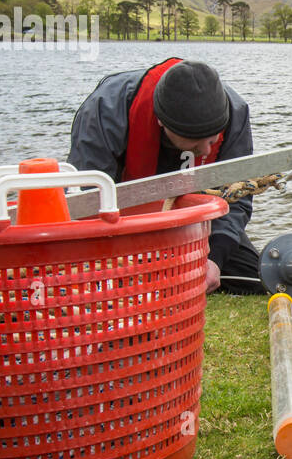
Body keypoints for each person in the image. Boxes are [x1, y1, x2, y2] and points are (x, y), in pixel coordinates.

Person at [67, 57, 261, 294]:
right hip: (127, 224)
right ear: (162, 122)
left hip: (197, 223)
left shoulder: (234, 111)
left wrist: (215, 258)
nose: (208, 151)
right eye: (196, 143)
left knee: (253, 279)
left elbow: (237, 196)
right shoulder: (105, 109)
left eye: (212, 140)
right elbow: (87, 198)